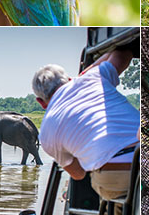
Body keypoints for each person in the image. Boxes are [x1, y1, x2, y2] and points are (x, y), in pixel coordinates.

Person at [32, 46, 138, 203]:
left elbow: (78, 174)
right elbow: (122, 53)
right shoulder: (93, 77)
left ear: (41, 102)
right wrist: (86, 73)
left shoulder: (46, 131)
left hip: (116, 174)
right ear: (69, 79)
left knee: (113, 204)